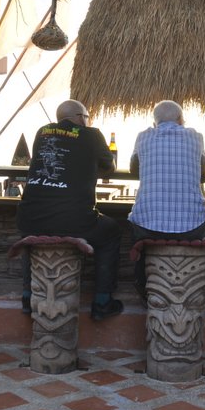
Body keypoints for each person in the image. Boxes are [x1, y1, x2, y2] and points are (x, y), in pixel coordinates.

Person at [16, 99, 123, 320]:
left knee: (32, 236)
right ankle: (102, 301)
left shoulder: (42, 132)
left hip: (30, 218)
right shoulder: (92, 135)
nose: (87, 121)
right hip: (75, 221)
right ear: (78, 117)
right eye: (86, 117)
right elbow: (109, 166)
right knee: (111, 231)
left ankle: (27, 297)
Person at [128, 100, 205, 297]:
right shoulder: (195, 137)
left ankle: (142, 283)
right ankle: (193, 286)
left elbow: (133, 169)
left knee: (137, 227)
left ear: (154, 123)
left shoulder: (143, 136)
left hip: (148, 227)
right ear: (181, 120)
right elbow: (203, 169)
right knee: (201, 218)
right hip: (192, 227)